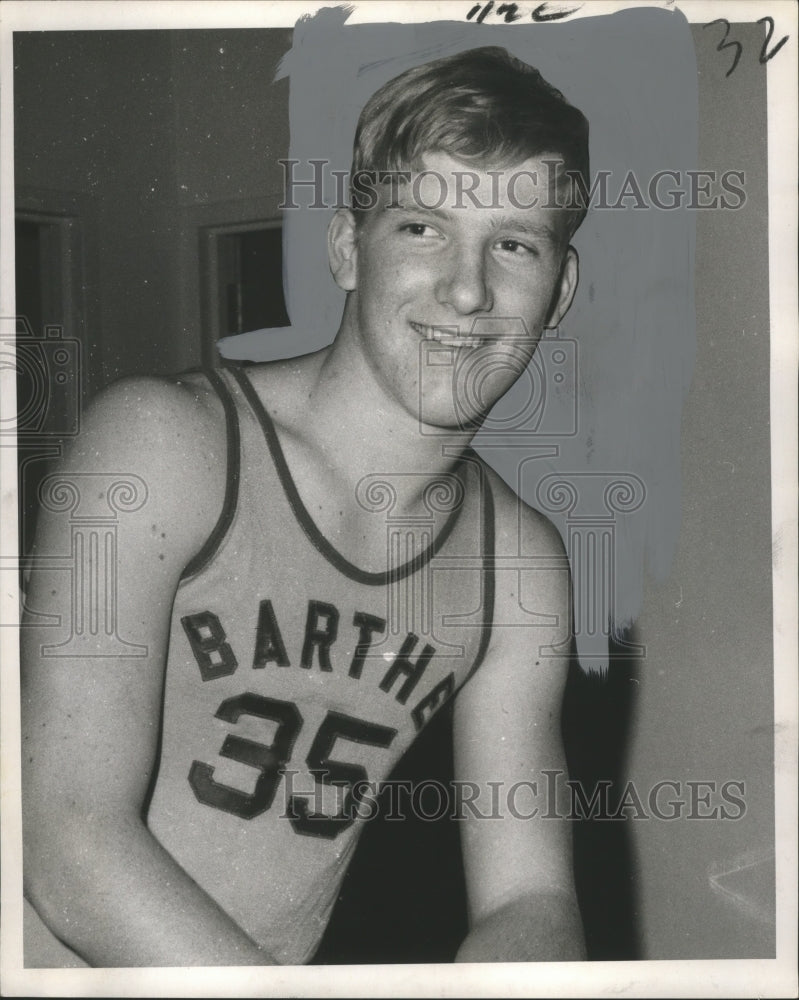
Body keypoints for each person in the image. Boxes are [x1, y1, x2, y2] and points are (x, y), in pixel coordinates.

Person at [21, 46, 589, 967]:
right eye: (421, 229)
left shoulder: (518, 565)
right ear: (345, 248)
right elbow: (67, 843)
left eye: (513, 244)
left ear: (558, 290)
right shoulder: (164, 445)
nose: (468, 289)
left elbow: (528, 895)